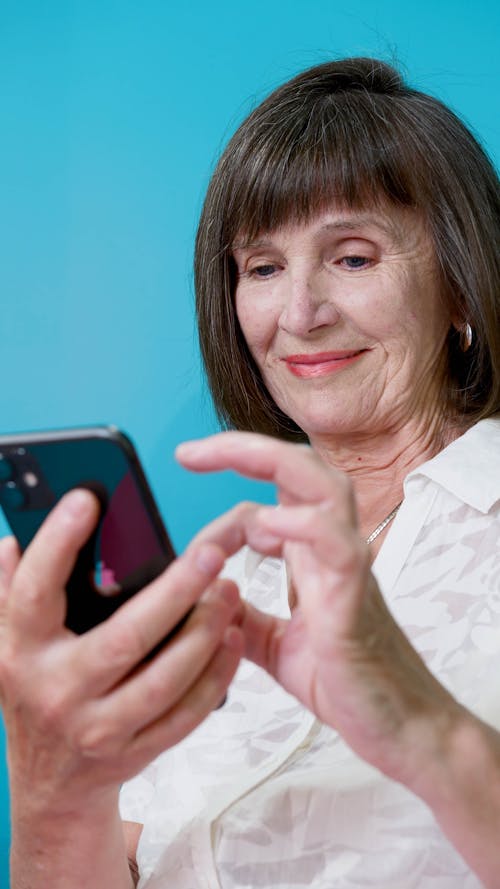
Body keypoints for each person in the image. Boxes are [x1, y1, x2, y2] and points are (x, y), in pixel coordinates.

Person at [1, 56, 500, 888]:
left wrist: (426, 729)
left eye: (353, 256)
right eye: (263, 268)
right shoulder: (221, 587)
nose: (300, 313)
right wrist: (58, 790)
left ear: (460, 287)